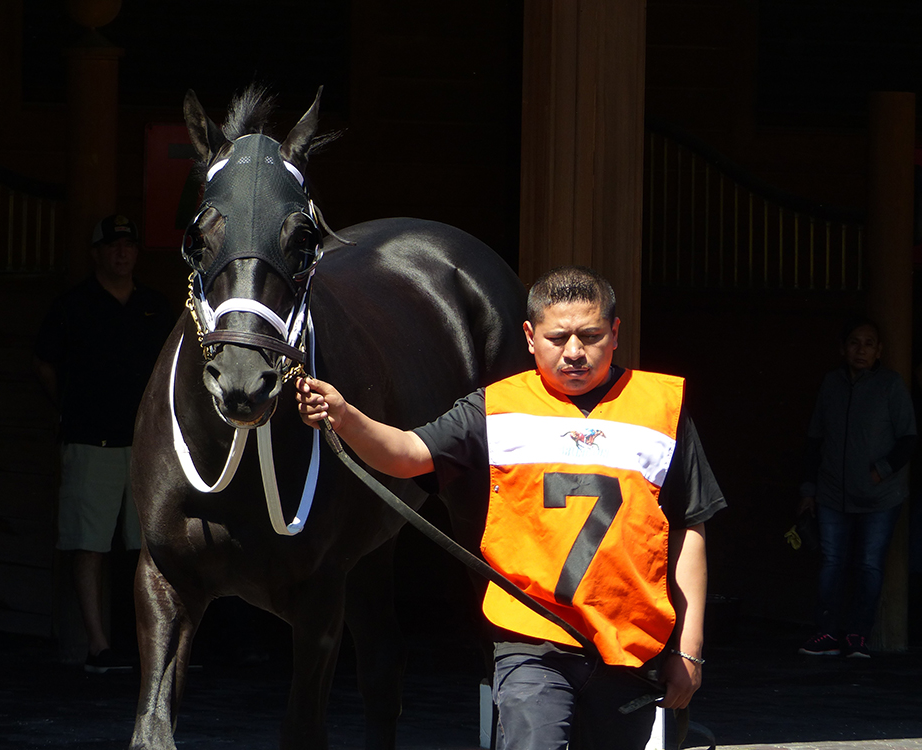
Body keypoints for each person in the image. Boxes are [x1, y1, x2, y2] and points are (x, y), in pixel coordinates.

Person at [296, 266, 725, 750]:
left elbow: (691, 526)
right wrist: (346, 416)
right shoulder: (496, 409)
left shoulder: (662, 407)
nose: (575, 353)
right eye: (558, 337)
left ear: (616, 333)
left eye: (591, 335)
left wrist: (689, 651)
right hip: (531, 642)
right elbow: (407, 453)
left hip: (630, 647)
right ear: (529, 336)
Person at [35, 214, 175, 673]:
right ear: (96, 252)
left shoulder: (156, 306)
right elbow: (46, 366)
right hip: (89, 442)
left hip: (147, 448)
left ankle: (149, 648)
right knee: (89, 544)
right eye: (112, 246)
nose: (121, 253)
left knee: (149, 548)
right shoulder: (71, 306)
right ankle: (98, 646)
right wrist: (72, 410)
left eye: (129, 246)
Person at [797, 317, 916, 658]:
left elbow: (909, 438)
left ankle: (857, 636)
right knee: (832, 561)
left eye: (868, 344)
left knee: (869, 564)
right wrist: (808, 489)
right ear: (843, 348)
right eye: (854, 343)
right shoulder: (831, 384)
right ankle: (826, 633)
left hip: (881, 496)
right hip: (833, 491)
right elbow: (814, 439)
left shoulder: (891, 385)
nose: (860, 350)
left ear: (879, 351)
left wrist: (881, 470)